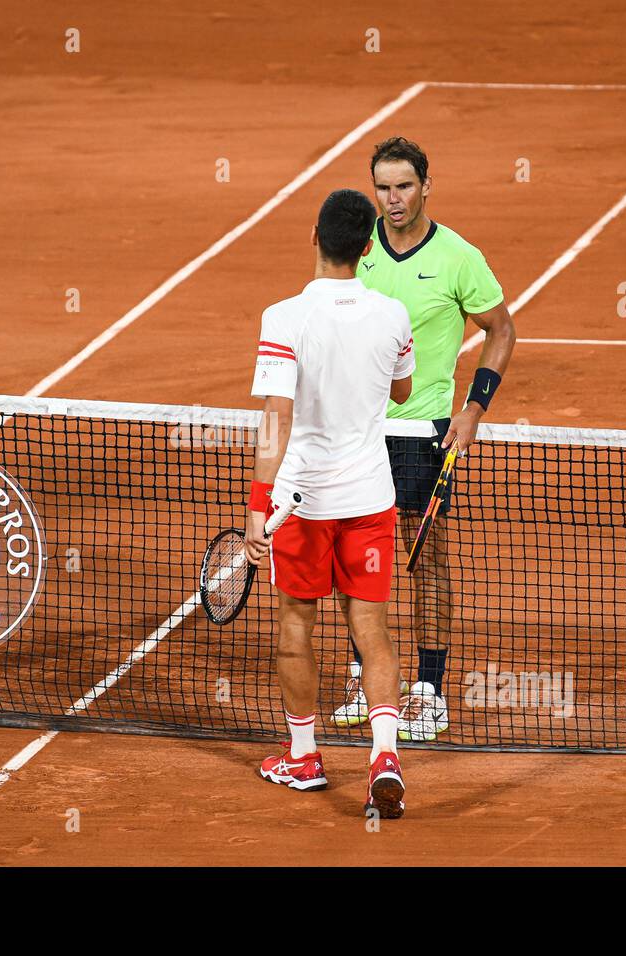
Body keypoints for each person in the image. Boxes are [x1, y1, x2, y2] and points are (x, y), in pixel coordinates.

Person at [331, 136, 517, 741]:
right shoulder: (357, 252)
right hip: (358, 426)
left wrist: (474, 408)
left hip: (424, 428)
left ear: (426, 187)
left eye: (404, 186)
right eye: (383, 187)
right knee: (350, 553)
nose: (393, 199)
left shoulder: (460, 256)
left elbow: (500, 330)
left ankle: (429, 690)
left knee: (425, 558)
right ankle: (365, 676)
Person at [246, 188, 415, 819]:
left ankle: (304, 756)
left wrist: (258, 508)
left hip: (301, 504)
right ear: (367, 248)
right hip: (371, 499)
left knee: (297, 624)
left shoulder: (284, 318)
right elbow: (401, 390)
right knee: (371, 630)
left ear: (313, 236)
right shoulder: (393, 315)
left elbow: (276, 420)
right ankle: (384, 756)